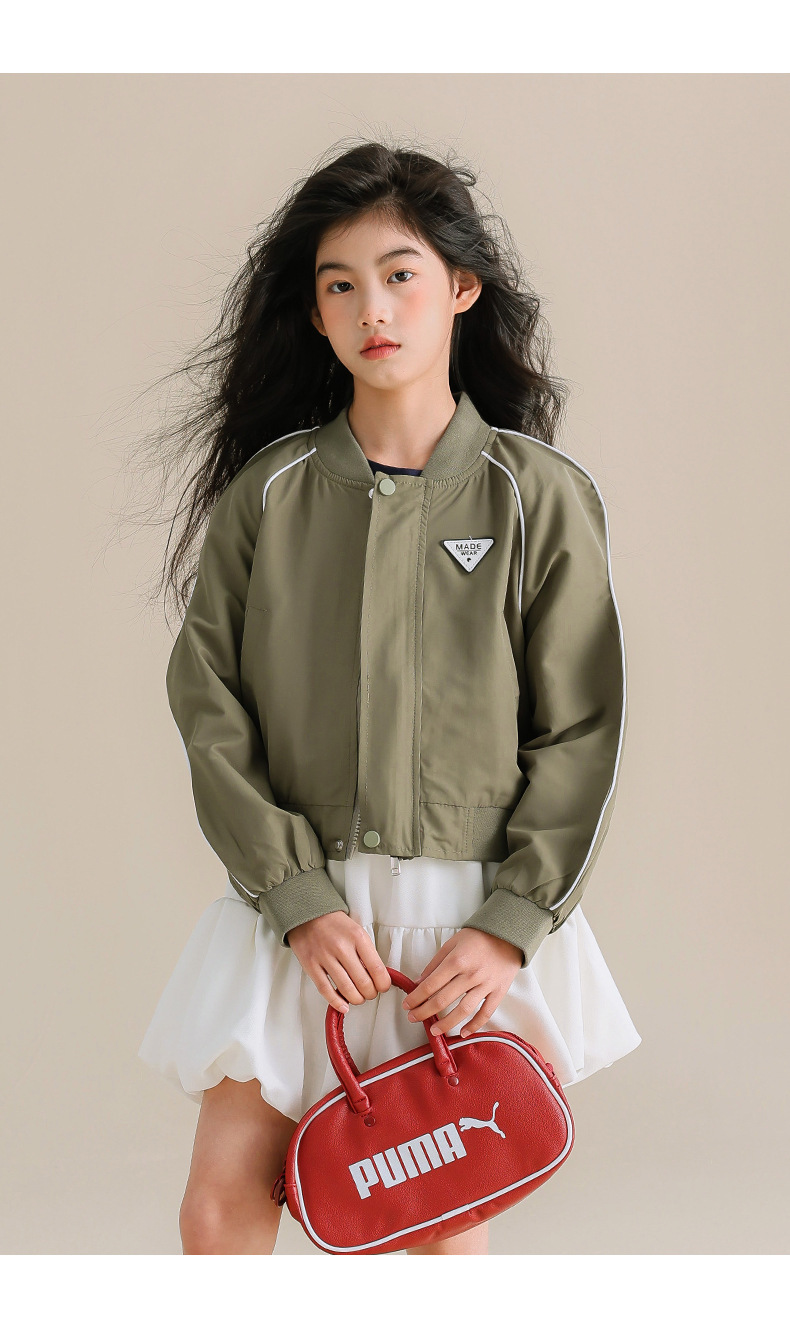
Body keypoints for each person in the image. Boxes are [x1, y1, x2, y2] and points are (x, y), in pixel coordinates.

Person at [137, 138, 642, 1256]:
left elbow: (582, 730)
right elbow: (210, 707)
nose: (372, 308)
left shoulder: (539, 496)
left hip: (466, 925)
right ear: (315, 314)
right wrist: (295, 893)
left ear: (461, 287)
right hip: (300, 914)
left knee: (431, 1230)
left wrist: (511, 927)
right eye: (339, 285)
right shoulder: (268, 496)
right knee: (219, 1209)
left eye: (400, 274)